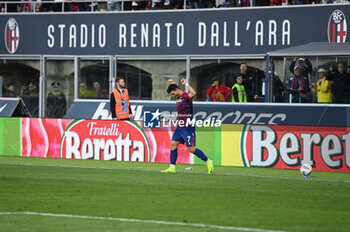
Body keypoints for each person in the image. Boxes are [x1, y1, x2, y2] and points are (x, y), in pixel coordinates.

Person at [161, 78, 214, 174]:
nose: (173, 96)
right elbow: (176, 90)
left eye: (172, 94)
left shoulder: (186, 96)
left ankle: (208, 161)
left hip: (188, 127)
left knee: (191, 149)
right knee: (173, 144)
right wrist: (173, 83)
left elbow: (193, 93)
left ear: (176, 90)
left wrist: (186, 83)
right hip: (180, 126)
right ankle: (172, 167)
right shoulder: (178, 97)